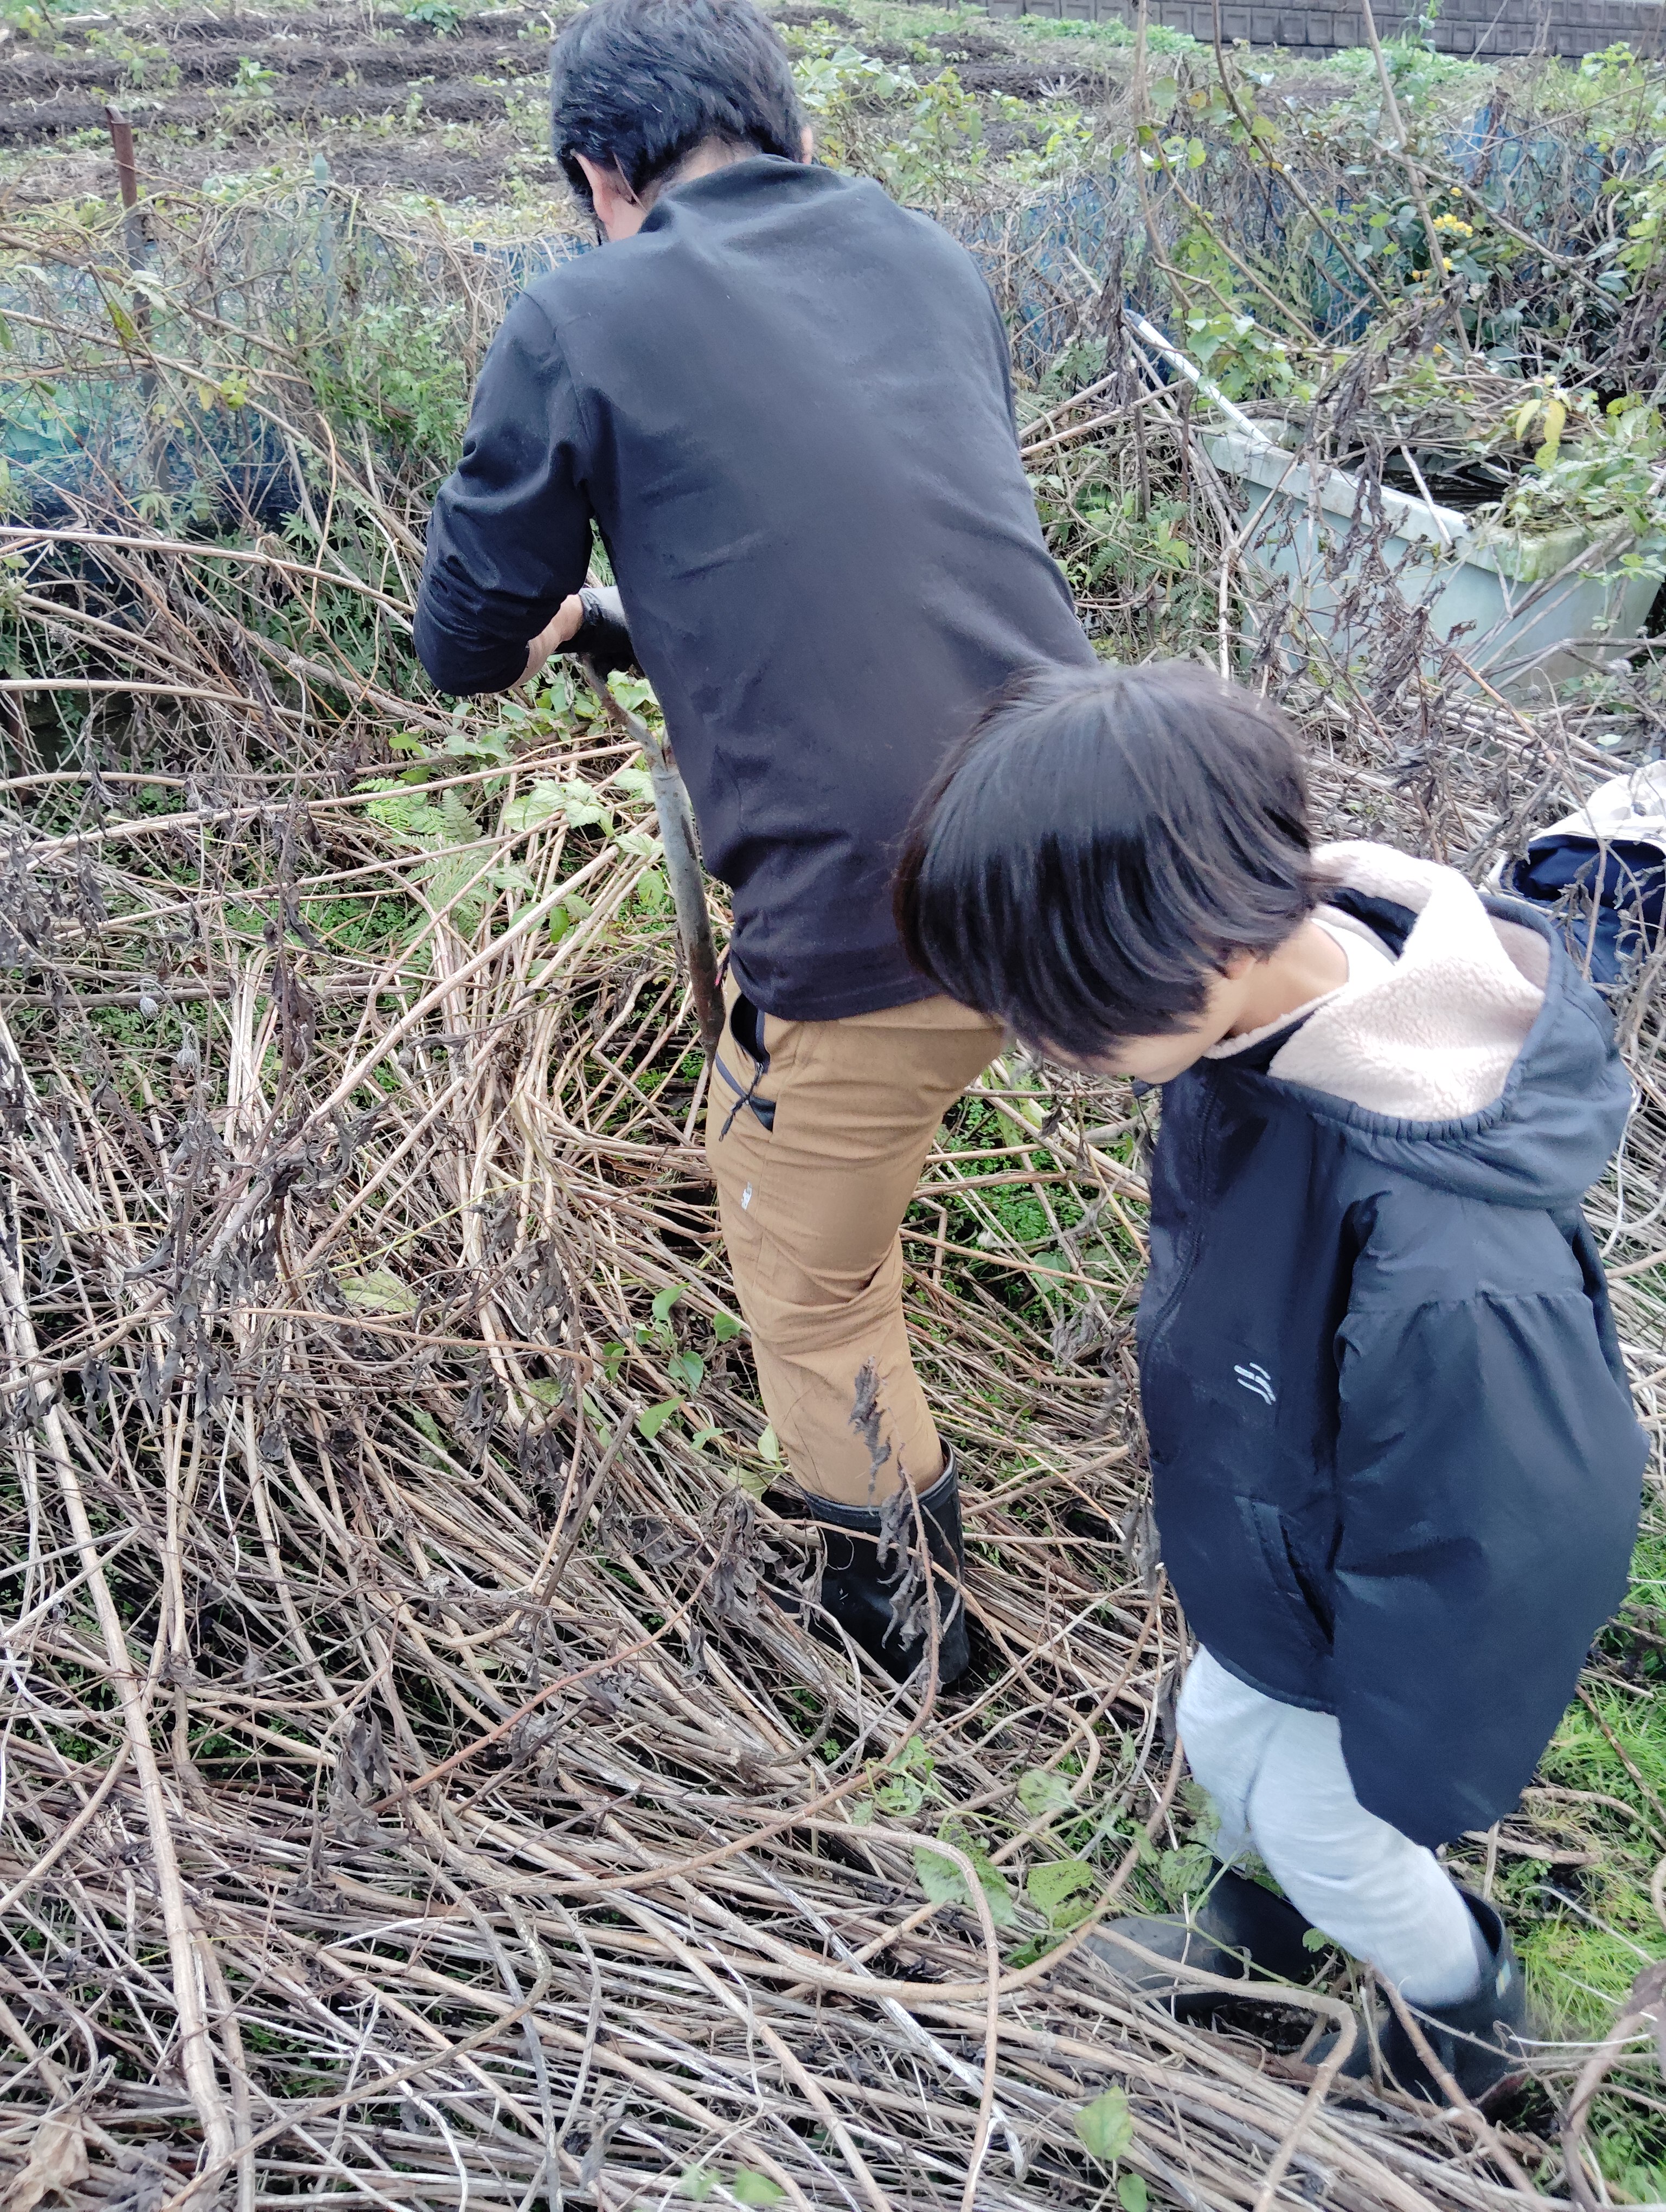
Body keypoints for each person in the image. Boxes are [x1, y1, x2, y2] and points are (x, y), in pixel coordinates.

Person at [411, 0, 1094, 1684]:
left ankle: (916, 1655)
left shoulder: (586, 309)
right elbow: (854, 551)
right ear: (779, 128)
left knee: (812, 1288)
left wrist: (546, 623)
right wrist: (638, 621)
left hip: (884, 913)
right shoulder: (928, 259)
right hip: (1096, 842)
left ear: (600, 175)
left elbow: (460, 637)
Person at [894, 659, 1646, 2100]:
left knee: (1337, 1825)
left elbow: (1525, 1526)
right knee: (1221, 1732)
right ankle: (1262, 1937)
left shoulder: (1450, 1255)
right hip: (1282, 1537)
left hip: (1382, 1606)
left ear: (1205, 942)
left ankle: (1466, 2023)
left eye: (1056, 1010)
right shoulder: (1252, 1011)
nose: (1036, 1047)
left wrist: (1413, 1733)